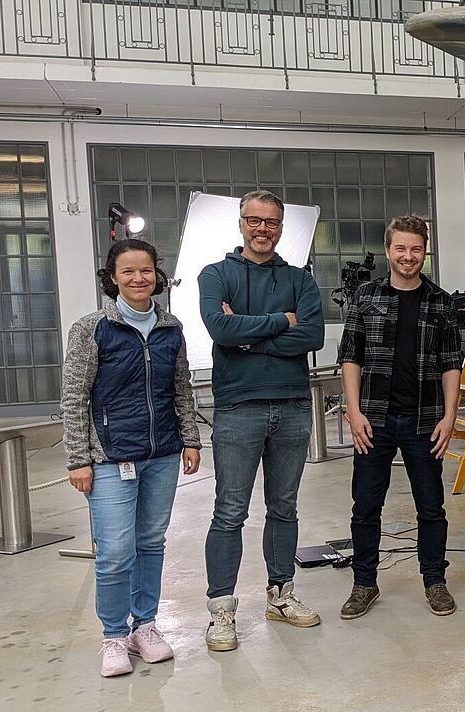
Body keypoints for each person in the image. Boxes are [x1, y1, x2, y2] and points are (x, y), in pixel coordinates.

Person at [61, 238, 202, 677]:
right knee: (116, 551)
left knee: (150, 543)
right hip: (108, 457)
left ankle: (146, 626)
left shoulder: (170, 327)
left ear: (157, 275)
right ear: (113, 277)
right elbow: (73, 396)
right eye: (128, 271)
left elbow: (180, 388)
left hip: (161, 455)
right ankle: (113, 636)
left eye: (146, 270)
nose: (139, 278)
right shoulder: (92, 328)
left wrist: (191, 439)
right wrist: (77, 458)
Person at [198, 189, 326, 651]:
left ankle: (280, 594)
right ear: (241, 223)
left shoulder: (300, 280)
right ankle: (221, 610)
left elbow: (311, 335)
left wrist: (251, 336)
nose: (262, 229)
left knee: (284, 507)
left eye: (271, 222)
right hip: (238, 408)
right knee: (229, 512)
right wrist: (280, 323)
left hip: (292, 406)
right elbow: (219, 328)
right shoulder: (216, 274)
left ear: (280, 227)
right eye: (254, 220)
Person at [338, 215, 462, 619]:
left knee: (431, 506)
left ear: (425, 252)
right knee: (365, 507)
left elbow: (450, 365)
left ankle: (434, 580)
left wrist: (449, 416)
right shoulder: (365, 297)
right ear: (389, 249)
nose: (408, 257)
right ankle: (364, 583)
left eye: (416, 249)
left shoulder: (441, 301)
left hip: (425, 421)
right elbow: (350, 356)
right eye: (401, 248)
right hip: (373, 420)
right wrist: (353, 412)